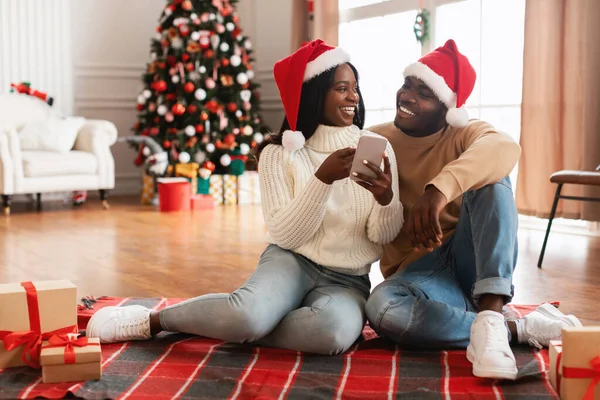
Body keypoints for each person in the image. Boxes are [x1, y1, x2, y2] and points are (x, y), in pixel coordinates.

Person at [85, 39, 404, 356]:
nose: (354, 97)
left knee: (330, 335)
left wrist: (386, 198)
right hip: (291, 261)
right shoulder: (280, 154)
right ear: (315, 94)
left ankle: (228, 326)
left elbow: (381, 236)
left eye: (355, 87)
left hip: (347, 280)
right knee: (246, 315)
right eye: (342, 88)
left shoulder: (376, 147)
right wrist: (322, 180)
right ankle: (155, 320)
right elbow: (285, 235)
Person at [364, 39, 581, 380]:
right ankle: (510, 327)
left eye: (423, 92)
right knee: (383, 310)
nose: (407, 96)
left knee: (494, 180)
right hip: (421, 277)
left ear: (447, 107)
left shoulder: (464, 132)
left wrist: (439, 190)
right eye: (407, 84)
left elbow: (505, 147)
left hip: (473, 261)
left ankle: (492, 309)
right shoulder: (376, 140)